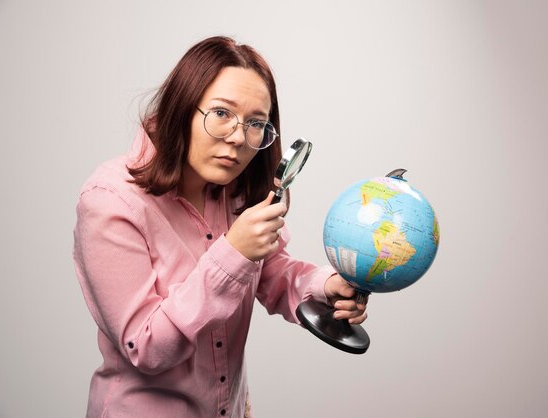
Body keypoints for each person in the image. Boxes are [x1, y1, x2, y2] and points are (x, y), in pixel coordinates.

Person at [72, 36, 368, 417]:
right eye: (222, 114)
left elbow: (269, 271)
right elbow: (144, 346)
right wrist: (233, 253)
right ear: (181, 109)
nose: (238, 138)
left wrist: (326, 285)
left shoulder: (235, 191)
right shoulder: (109, 201)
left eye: (256, 123)